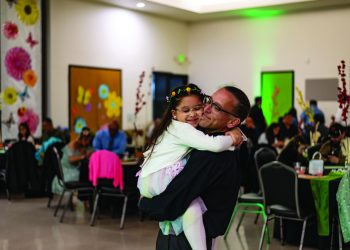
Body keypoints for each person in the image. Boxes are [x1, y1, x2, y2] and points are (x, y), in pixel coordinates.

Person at [139, 85, 251, 249]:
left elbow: (172, 203)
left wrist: (144, 204)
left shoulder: (212, 154)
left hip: (182, 241)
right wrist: (237, 131)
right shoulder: (228, 145)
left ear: (233, 121)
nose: (205, 108)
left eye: (216, 107)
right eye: (208, 101)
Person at [51, 127, 93, 194]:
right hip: (68, 170)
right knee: (84, 176)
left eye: (88, 140)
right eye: (85, 139)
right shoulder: (73, 144)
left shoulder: (87, 146)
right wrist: (83, 157)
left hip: (76, 168)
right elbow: (70, 159)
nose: (87, 141)